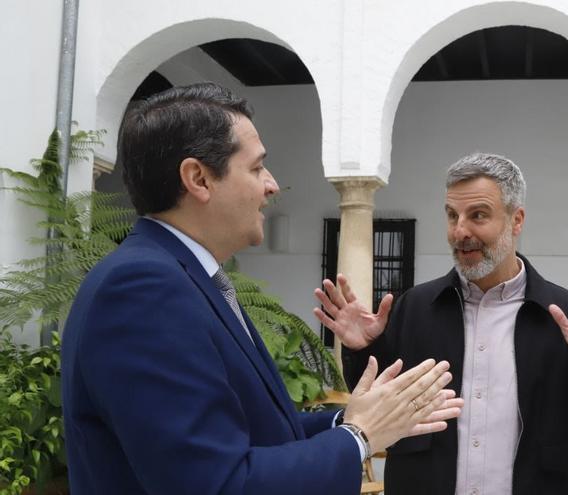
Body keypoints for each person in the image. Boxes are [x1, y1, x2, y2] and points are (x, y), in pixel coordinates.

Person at [61, 82, 463, 495]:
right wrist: (359, 437)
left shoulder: (183, 278)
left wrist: (352, 419)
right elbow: (214, 483)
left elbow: (255, 432)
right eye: (256, 168)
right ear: (198, 178)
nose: (271, 185)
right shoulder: (143, 290)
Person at [315, 152, 568, 494]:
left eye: (478, 215)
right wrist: (365, 350)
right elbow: (379, 416)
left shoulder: (564, 314)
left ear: (517, 220)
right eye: (452, 216)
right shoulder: (415, 309)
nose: (460, 231)